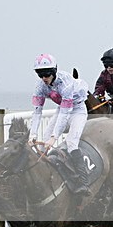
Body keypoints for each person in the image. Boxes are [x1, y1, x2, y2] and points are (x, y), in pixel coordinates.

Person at [29, 53, 90, 195]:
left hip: (77, 109)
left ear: (54, 71)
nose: (44, 78)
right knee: (43, 143)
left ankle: (83, 181)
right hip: (61, 108)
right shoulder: (40, 86)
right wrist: (32, 134)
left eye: (47, 74)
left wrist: (54, 137)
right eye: (40, 74)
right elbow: (37, 112)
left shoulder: (66, 83)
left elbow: (65, 114)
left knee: (71, 143)